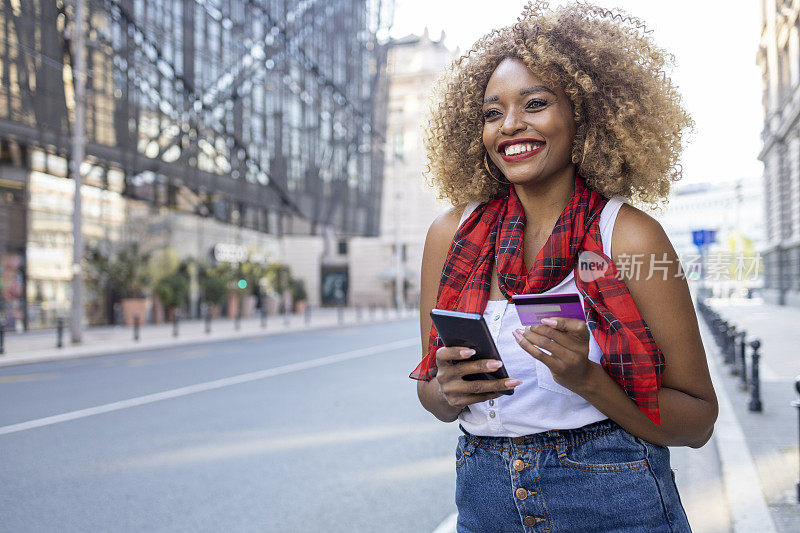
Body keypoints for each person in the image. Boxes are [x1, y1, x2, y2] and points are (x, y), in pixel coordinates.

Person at [410, 2, 718, 532]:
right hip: (485, 498)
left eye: (535, 103)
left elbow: (698, 420)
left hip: (613, 495)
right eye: (491, 112)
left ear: (583, 113)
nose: (510, 125)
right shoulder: (451, 237)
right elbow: (433, 394)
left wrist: (587, 379)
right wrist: (448, 391)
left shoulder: (629, 234)